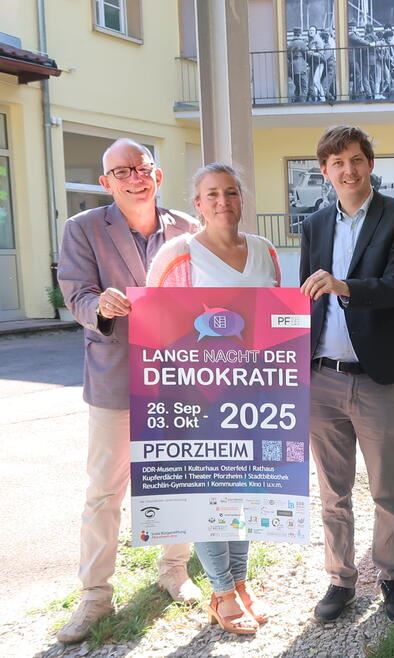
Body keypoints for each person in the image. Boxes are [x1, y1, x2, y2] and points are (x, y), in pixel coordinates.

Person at [56, 139, 200, 644]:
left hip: (178, 378)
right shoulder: (83, 229)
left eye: (141, 168)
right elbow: (75, 293)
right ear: (106, 183)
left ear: (157, 175)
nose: (134, 177)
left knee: (176, 478)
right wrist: (101, 303)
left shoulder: (187, 227)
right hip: (116, 376)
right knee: (103, 492)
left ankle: (174, 569)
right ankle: (95, 595)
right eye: (122, 171)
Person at [146, 163, 280, 634]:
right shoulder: (176, 254)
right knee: (209, 493)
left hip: (256, 396)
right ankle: (221, 591)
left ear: (241, 199)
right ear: (198, 205)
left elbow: (275, 323)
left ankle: (241, 582)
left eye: (230, 192)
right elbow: (154, 329)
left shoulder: (265, 251)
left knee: (243, 494)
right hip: (196, 397)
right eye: (211, 195)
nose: (223, 201)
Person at [299, 126, 394, 623]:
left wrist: (344, 285)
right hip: (321, 377)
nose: (347, 170)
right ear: (325, 171)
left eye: (355, 160)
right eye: (336, 163)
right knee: (333, 491)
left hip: (377, 376)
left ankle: (392, 579)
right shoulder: (313, 225)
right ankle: (340, 580)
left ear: (370, 164)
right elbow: (307, 299)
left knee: (386, 489)